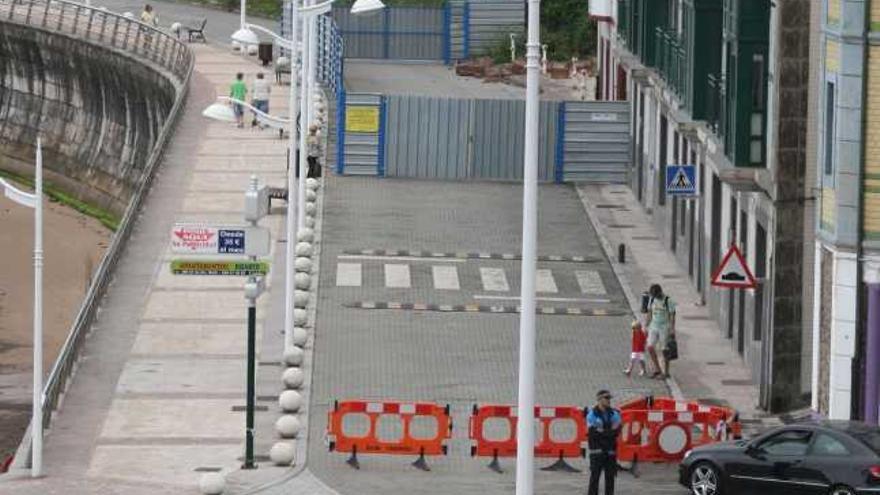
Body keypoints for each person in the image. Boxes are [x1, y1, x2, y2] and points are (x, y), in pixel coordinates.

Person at [587, 389, 621, 495]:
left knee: (610, 479)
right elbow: (593, 433)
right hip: (597, 452)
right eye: (606, 398)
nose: (609, 400)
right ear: (599, 399)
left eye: (609, 398)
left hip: (610, 451)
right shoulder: (592, 415)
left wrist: (603, 432)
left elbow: (617, 431)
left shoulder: (614, 413)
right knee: (594, 478)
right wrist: (609, 432)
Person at [645, 283, 676, 379]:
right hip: (654, 326)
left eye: (656, 295)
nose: (655, 297)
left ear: (659, 293)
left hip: (664, 327)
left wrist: (672, 329)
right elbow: (649, 312)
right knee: (650, 347)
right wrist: (646, 326)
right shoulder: (652, 299)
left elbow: (672, 315)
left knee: (664, 350)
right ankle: (657, 369)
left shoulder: (668, 300)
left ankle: (666, 372)